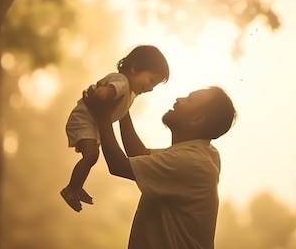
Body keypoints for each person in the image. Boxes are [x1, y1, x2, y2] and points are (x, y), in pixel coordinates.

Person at [82, 84, 236, 249]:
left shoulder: (191, 163)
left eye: (189, 100)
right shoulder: (202, 153)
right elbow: (138, 153)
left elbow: (118, 165)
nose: (179, 99)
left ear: (196, 120)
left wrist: (102, 114)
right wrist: (121, 108)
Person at [61, 45, 170, 212]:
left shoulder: (129, 94)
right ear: (135, 68)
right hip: (84, 120)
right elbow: (110, 90)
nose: (150, 88)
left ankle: (76, 185)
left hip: (93, 123)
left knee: (91, 157)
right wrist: (105, 93)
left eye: (154, 85)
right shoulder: (122, 82)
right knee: (91, 156)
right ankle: (71, 189)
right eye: (150, 80)